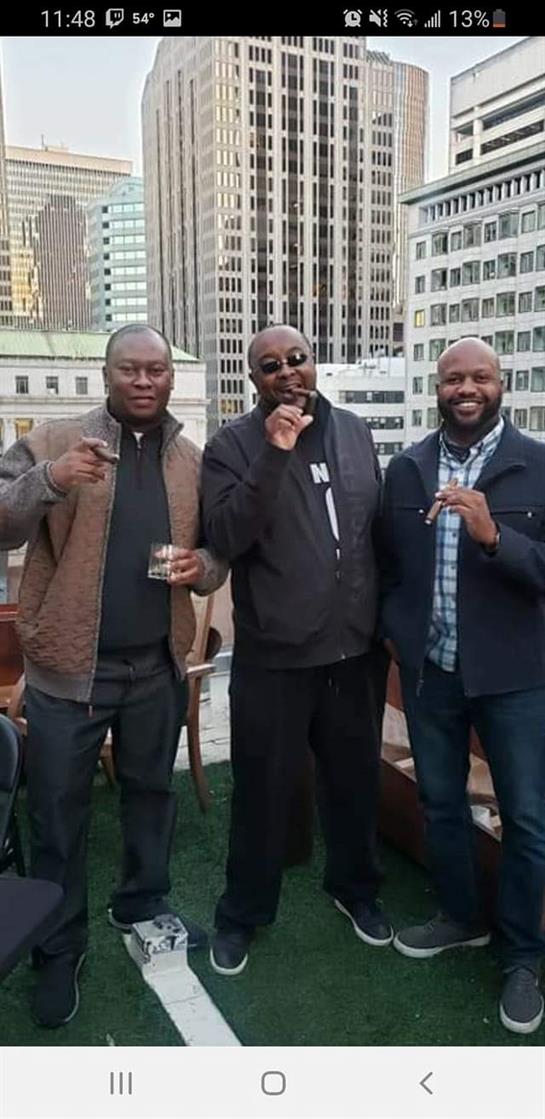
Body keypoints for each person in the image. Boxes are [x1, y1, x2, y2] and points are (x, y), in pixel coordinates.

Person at [0, 323, 226, 1028]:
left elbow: (215, 557)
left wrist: (201, 567)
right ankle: (57, 947)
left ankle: (141, 903)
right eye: (130, 368)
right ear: (107, 374)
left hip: (155, 667)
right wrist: (50, 480)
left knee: (151, 798)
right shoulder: (56, 440)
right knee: (56, 817)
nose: (144, 380)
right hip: (69, 674)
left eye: (156, 369)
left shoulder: (190, 459)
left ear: (170, 378)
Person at [201, 323, 392, 976]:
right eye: (269, 365)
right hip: (275, 659)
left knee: (355, 783)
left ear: (314, 362)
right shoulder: (231, 446)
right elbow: (226, 535)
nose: (286, 371)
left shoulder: (355, 432)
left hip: (353, 652)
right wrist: (274, 453)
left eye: (296, 358)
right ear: (253, 379)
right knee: (262, 791)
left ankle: (355, 889)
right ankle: (242, 914)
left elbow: (372, 533)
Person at [380, 336, 545, 1035]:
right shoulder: (409, 468)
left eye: (480, 377)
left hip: (515, 679)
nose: (466, 388)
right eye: (453, 378)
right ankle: (460, 916)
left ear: (501, 383)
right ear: (438, 388)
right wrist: (396, 629)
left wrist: (493, 537)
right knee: (441, 802)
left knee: (528, 820)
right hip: (431, 672)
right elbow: (387, 563)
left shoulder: (535, 464)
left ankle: (522, 956)